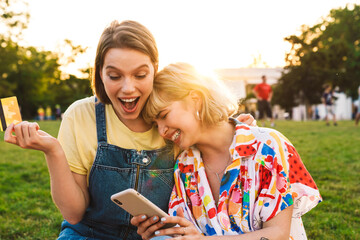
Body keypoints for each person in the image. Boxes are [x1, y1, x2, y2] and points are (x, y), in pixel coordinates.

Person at [4, 21, 255, 239]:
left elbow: (216, 134)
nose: (127, 88)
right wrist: (53, 151)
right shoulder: (80, 116)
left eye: (140, 74)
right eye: (114, 76)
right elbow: (73, 213)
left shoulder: (175, 122)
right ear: (100, 74)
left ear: (155, 70)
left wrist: (236, 127)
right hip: (88, 235)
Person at [132, 63, 322, 240]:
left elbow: (278, 233)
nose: (162, 130)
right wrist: (162, 233)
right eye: (155, 124)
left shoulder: (268, 146)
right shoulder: (184, 165)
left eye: (164, 115)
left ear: (196, 100)